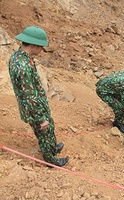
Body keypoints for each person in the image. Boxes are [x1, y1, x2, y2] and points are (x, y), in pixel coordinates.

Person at [8, 26, 69, 167]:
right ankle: (51, 160)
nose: (41, 50)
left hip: (36, 103)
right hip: (33, 108)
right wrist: (41, 118)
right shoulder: (23, 66)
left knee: (50, 127)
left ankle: (52, 147)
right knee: (44, 132)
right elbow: (29, 95)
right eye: (41, 47)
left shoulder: (18, 56)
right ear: (34, 45)